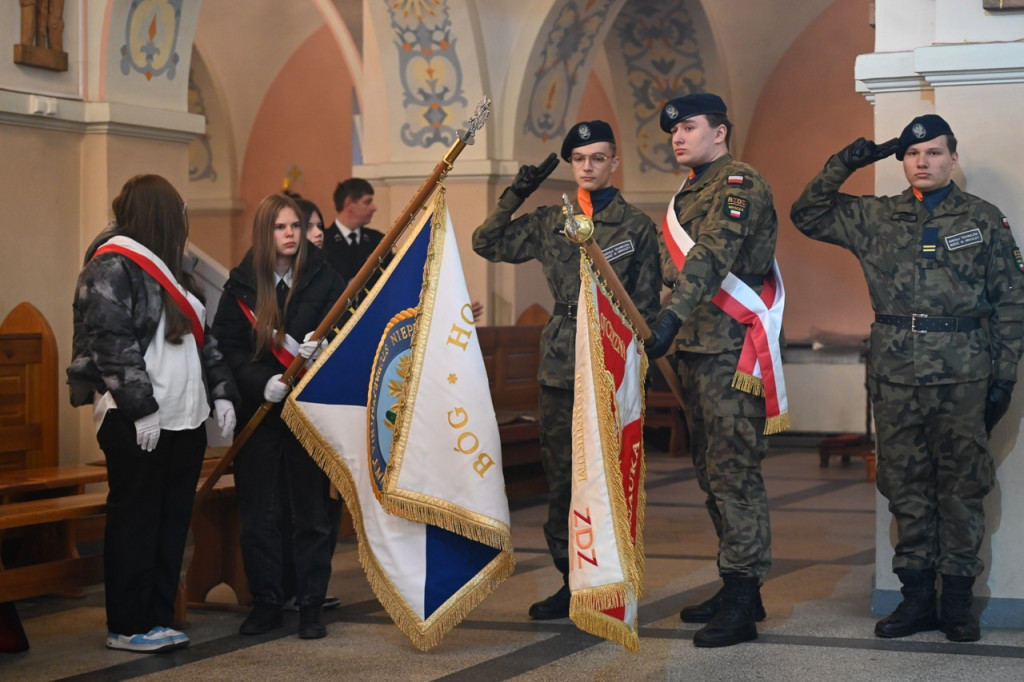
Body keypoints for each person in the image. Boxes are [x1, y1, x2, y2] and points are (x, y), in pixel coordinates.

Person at [791, 114, 1024, 643]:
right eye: (914, 154)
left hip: (965, 374)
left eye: (935, 153)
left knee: (963, 485)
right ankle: (917, 598)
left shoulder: (985, 220)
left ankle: (959, 603)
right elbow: (807, 213)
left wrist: (1004, 377)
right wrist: (847, 162)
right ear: (903, 160)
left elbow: (1013, 302)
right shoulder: (876, 216)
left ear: (952, 159)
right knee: (904, 485)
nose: (924, 162)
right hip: (896, 375)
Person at [472, 120, 661, 621]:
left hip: (609, 360)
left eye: (598, 157)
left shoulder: (636, 226)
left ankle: (608, 578)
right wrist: (517, 192)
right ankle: (568, 580)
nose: (589, 166)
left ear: (614, 162)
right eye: (580, 159)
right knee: (561, 477)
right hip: (560, 364)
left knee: (606, 473)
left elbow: (644, 304)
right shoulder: (550, 220)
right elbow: (486, 243)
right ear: (572, 166)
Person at [67, 174, 239, 653]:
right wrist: (141, 409)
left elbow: (205, 341)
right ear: (161, 215)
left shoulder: (173, 271)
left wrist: (222, 394)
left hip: (185, 418)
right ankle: (127, 624)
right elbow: (112, 346)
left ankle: (159, 617)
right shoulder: (111, 266)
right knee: (136, 522)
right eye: (180, 213)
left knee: (170, 521)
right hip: (137, 422)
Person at [644, 93, 782, 648]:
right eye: (673, 131)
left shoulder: (738, 183)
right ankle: (735, 585)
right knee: (711, 475)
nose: (678, 138)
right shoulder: (687, 192)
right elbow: (665, 266)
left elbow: (711, 254)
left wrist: (670, 318)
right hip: (695, 353)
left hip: (731, 351)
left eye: (690, 128)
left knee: (734, 477)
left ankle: (744, 600)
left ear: (720, 132)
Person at [212, 193, 345, 640]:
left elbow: (348, 328)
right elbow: (228, 346)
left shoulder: (325, 278)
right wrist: (256, 384)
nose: (291, 235)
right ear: (265, 233)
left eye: (296, 226)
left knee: (311, 516)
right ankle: (266, 602)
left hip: (309, 415)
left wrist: (325, 351)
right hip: (262, 416)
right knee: (261, 516)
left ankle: (310, 605)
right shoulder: (241, 285)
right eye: (281, 228)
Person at [321, 178, 384, 281]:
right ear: (349, 203)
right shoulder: (323, 242)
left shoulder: (378, 241)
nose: (374, 208)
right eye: (367, 202)